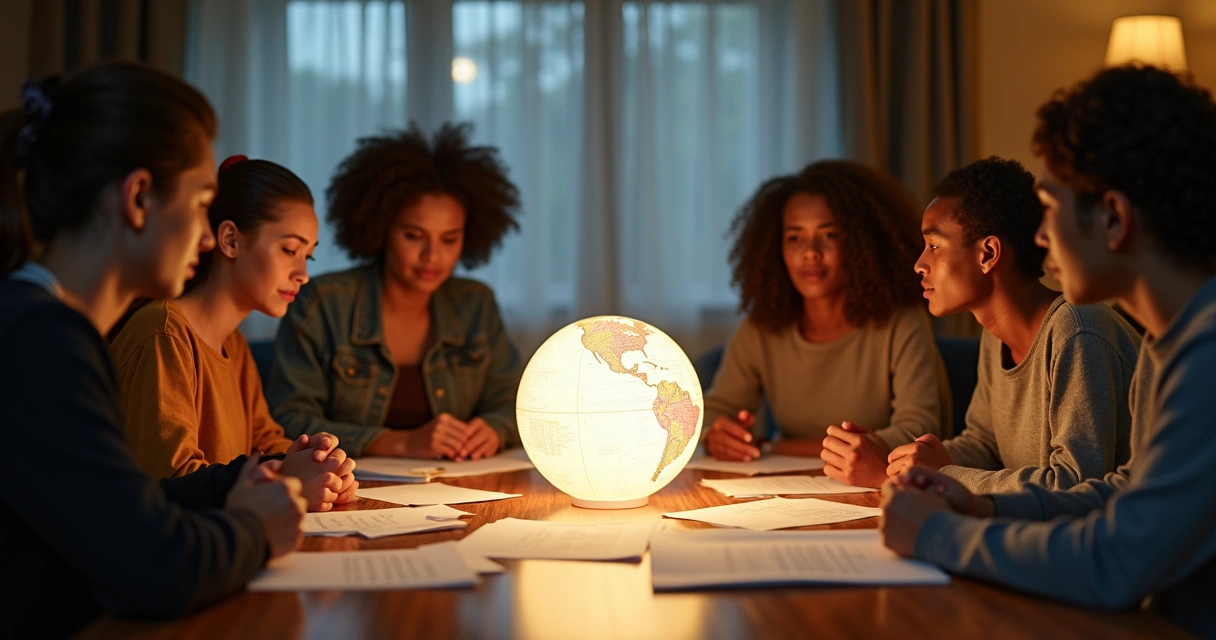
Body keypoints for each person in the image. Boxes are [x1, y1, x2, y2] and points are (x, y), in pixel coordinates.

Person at [879, 65, 1216, 637]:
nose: (1039, 238)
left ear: (1114, 218)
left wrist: (938, 534)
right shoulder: (1169, 342)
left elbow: (1118, 561)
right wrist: (983, 506)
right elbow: (1124, 491)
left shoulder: (1205, 355)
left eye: (1051, 210)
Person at [0, 63, 307, 636]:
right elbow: (152, 566)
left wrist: (236, 482)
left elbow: (121, 506)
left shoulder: (47, 325)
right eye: (200, 206)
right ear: (138, 198)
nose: (207, 233)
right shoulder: (40, 340)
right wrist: (256, 529)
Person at [829, 157, 1140, 491]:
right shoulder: (995, 335)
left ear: (988, 254)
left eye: (934, 245)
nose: (919, 264)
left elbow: (1076, 483)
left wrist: (940, 476)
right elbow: (984, 445)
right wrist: (900, 460)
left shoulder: (1077, 330)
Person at [110, 156, 358, 511]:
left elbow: (266, 439)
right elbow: (171, 481)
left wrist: (320, 463)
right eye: (290, 250)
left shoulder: (233, 343)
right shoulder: (163, 334)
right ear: (229, 240)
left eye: (309, 257)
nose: (302, 273)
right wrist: (289, 478)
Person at [268, 122, 523, 460]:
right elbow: (286, 420)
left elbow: (514, 403)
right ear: (381, 227)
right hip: (349, 491)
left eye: (449, 239)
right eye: (414, 236)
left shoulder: (476, 303)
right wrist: (399, 443)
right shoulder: (323, 303)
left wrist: (494, 429)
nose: (432, 256)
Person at [704, 159, 950, 475]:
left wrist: (775, 446)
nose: (810, 251)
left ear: (862, 243)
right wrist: (717, 436)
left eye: (829, 235)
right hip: (785, 487)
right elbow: (713, 414)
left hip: (873, 487)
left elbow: (918, 431)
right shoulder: (760, 327)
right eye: (795, 237)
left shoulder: (901, 322)